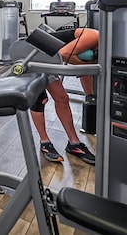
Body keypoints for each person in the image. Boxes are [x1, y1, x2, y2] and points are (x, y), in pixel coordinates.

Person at [31, 27, 98, 165]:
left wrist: (91, 99)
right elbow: (64, 53)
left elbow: (85, 75)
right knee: (40, 99)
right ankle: (45, 142)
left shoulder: (101, 47)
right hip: (33, 53)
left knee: (62, 99)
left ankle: (74, 144)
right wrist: (90, 65)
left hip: (49, 58)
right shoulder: (95, 36)